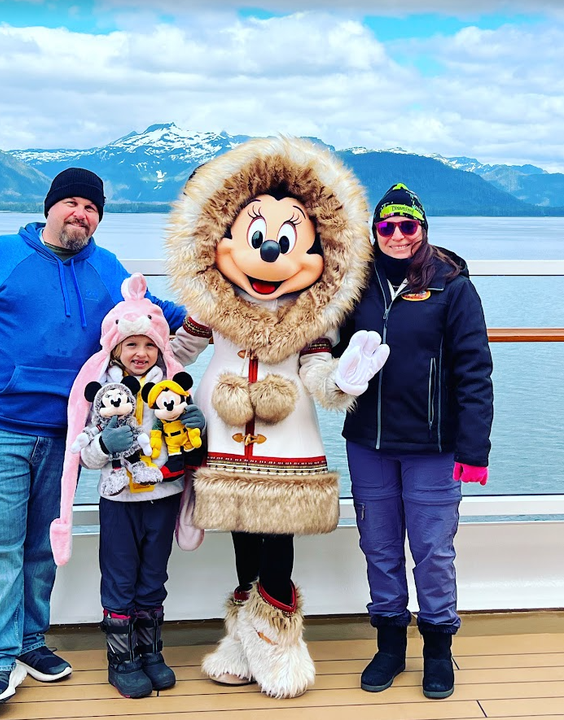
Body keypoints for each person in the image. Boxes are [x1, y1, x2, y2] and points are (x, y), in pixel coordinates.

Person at [0, 169, 185, 717]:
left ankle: (29, 642)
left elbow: (154, 314)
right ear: (50, 208)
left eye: (92, 208)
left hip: (67, 435)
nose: (81, 215)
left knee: (42, 543)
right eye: (71, 203)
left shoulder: (106, 267)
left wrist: (220, 316)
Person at [163, 137, 384, 699]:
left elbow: (316, 373)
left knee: (279, 537)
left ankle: (278, 643)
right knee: (241, 533)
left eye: (285, 241)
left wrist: (343, 380)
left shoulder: (309, 316)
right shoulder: (210, 305)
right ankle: (244, 642)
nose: (267, 254)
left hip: (288, 439)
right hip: (225, 433)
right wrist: (128, 341)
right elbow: (176, 354)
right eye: (256, 238)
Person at [337, 183, 493, 700]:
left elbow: (475, 372)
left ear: (423, 230)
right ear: (374, 232)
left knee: (432, 552)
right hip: (368, 440)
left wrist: (474, 451)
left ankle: (437, 649)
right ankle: (388, 646)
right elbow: (328, 346)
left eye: (409, 225)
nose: (399, 235)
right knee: (378, 548)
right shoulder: (355, 285)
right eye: (387, 226)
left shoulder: (453, 286)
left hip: (435, 445)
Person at [57, 273, 205, 699]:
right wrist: (104, 444)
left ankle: (149, 650)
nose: (140, 353)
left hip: (164, 494)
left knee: (154, 575)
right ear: (115, 348)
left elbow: (188, 444)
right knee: (121, 575)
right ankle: (120, 658)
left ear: (160, 347)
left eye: (149, 345)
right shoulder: (102, 390)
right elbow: (81, 450)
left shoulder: (172, 388)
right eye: (131, 345)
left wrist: (197, 426)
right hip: (119, 499)